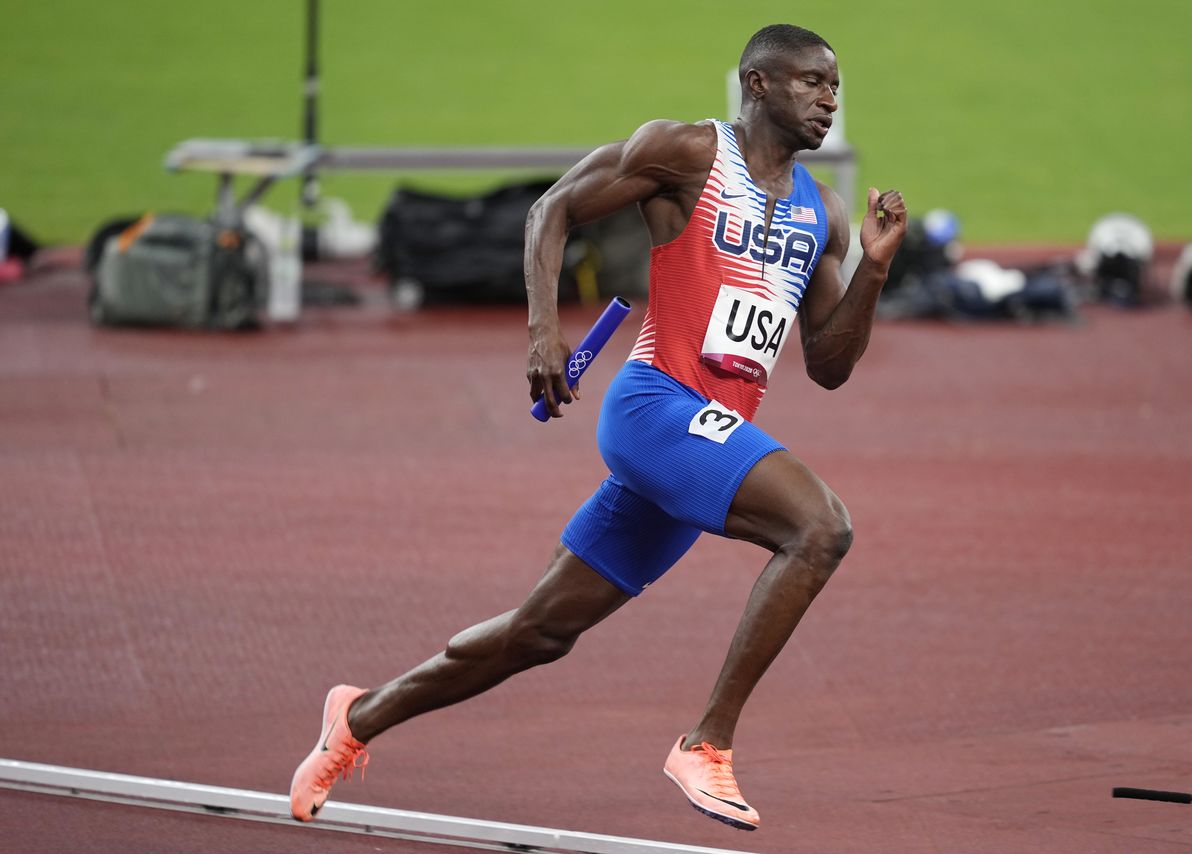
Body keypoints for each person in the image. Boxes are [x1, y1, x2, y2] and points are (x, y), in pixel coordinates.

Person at [290, 23, 907, 832]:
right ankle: (707, 744)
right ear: (757, 85)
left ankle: (357, 716)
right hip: (654, 409)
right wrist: (545, 330)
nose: (829, 99)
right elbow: (552, 210)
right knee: (822, 528)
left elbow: (829, 363)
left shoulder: (819, 212)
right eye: (810, 82)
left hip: (704, 438)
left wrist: (875, 266)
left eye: (835, 86)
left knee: (538, 632)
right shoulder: (686, 153)